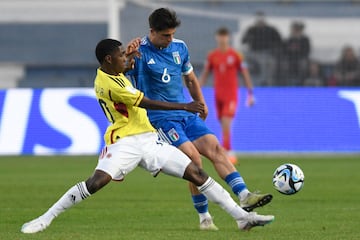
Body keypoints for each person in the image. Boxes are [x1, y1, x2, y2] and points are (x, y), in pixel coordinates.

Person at [20, 39, 274, 234]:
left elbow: (129, 64)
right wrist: (184, 106)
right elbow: (147, 102)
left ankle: (242, 218)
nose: (126, 59)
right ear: (109, 59)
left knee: (197, 172)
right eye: (121, 56)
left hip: (150, 140)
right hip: (124, 143)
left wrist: (130, 53)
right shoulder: (109, 84)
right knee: (95, 183)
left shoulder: (111, 70)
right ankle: (46, 218)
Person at [127, 8, 273, 231]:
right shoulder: (139, 52)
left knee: (215, 149)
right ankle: (205, 217)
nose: (170, 39)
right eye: (166, 35)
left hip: (186, 113)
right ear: (152, 32)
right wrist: (127, 57)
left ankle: (244, 196)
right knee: (193, 159)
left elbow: (191, 78)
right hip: (160, 119)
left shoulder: (180, 47)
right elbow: (120, 74)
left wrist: (201, 101)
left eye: (172, 34)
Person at [199, 27, 255, 162]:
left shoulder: (236, 55)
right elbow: (205, 74)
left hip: (231, 95)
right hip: (218, 94)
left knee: (226, 122)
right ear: (217, 38)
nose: (222, 39)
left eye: (224, 36)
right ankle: (227, 150)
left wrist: (250, 94)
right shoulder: (212, 56)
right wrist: (197, 91)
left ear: (228, 37)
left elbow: (245, 74)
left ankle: (228, 151)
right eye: (220, 36)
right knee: (222, 122)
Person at [241, 11, 282, 86]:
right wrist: (249, 38)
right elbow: (243, 41)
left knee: (268, 63)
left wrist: (273, 48)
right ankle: (245, 84)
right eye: (258, 20)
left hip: (266, 53)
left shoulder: (271, 29)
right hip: (253, 53)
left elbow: (279, 41)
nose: (260, 22)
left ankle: (267, 84)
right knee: (243, 63)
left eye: (261, 20)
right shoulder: (251, 29)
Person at [282, 21, 311, 86]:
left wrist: (298, 40)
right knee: (284, 64)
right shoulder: (288, 39)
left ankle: (302, 82)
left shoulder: (305, 39)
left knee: (303, 64)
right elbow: (284, 51)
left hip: (300, 59)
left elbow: (307, 51)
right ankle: (286, 83)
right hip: (290, 59)